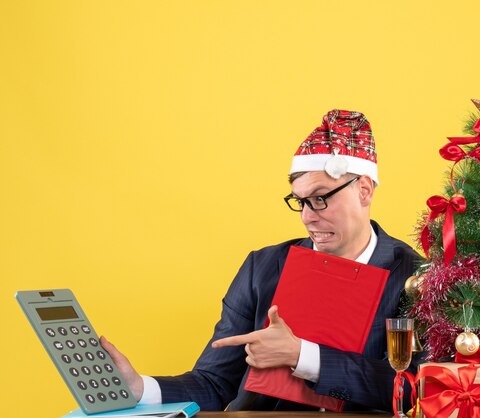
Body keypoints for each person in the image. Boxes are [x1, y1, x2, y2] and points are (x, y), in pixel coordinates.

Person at [101, 109, 426, 412]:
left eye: (320, 199)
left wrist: (302, 355)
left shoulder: (416, 277)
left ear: (364, 190)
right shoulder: (264, 267)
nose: (308, 218)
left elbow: (411, 388)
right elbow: (213, 384)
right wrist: (139, 389)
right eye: (300, 202)